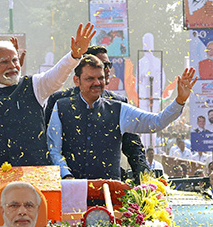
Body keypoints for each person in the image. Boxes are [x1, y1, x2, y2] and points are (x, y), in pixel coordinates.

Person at [0, 23, 95, 169]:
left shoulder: (34, 85)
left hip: (36, 175)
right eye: (4, 62)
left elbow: (57, 75)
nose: (12, 66)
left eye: (14, 60)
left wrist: (74, 56)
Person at [47, 56, 196, 180]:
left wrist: (180, 100)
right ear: (77, 80)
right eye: (90, 79)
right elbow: (53, 150)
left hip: (111, 193)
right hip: (71, 192)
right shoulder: (61, 107)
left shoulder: (118, 109)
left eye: (100, 78)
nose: (97, 83)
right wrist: (66, 176)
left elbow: (155, 122)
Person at [43, 45, 150, 183]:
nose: (106, 69)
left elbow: (133, 147)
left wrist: (145, 177)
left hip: (108, 185)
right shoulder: (59, 102)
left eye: (108, 65)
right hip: (68, 185)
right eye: (101, 64)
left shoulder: (119, 103)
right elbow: (48, 146)